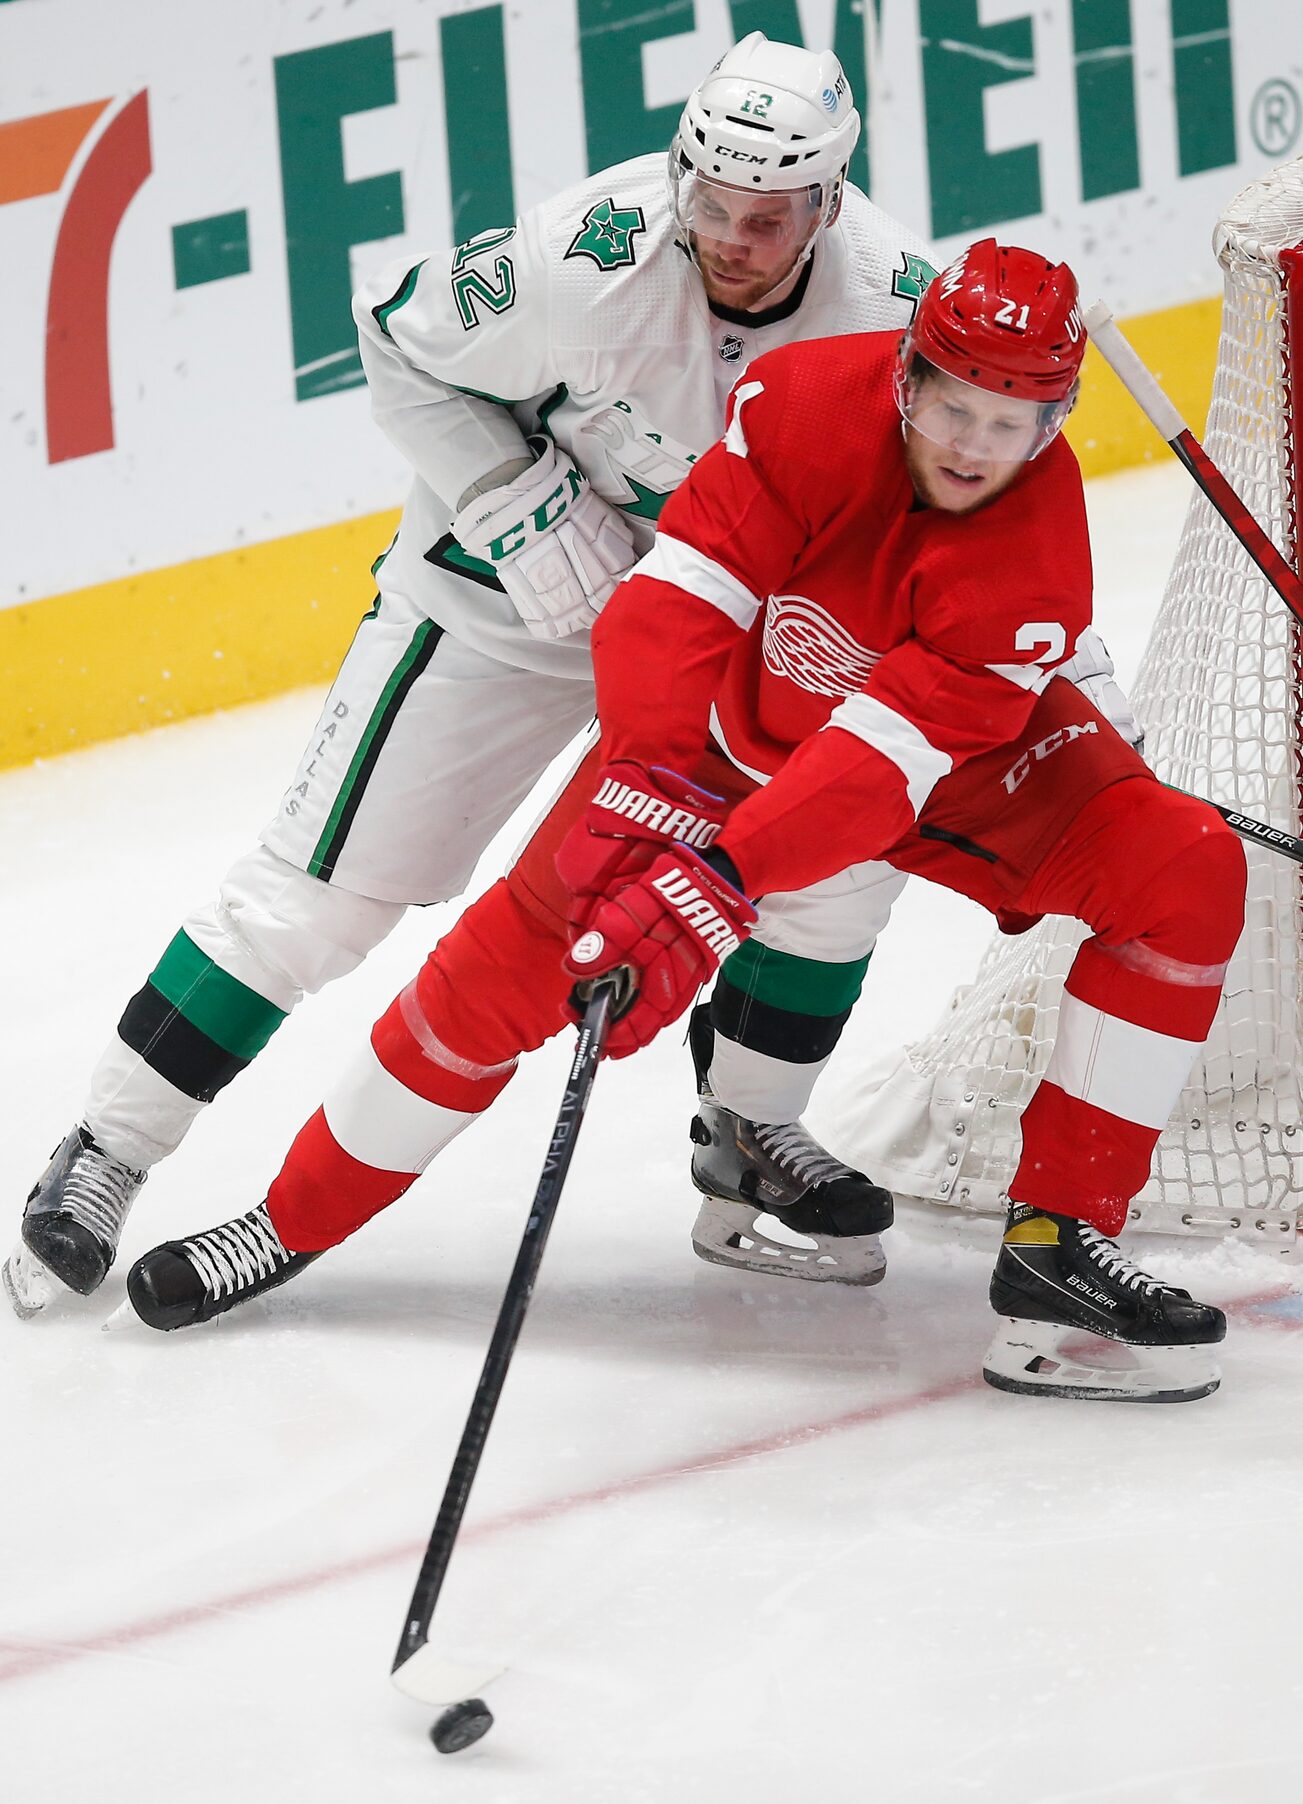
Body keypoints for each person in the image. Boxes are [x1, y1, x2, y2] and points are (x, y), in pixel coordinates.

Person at [123, 241, 1244, 1404]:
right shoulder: (802, 403)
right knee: (504, 973)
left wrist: (718, 876)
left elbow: (876, 769)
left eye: (1007, 423)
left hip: (948, 772)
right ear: (907, 375)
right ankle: (284, 1222)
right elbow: (676, 599)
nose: (970, 443)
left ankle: (1057, 1248)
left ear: (1055, 422)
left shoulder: (1035, 565)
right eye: (951, 404)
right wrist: (645, 786)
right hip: (714, 741)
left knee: (1183, 870)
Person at [8, 32, 964, 1318]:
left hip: (728, 632)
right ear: (679, 166)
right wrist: (509, 493)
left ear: (830, 199)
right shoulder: (587, 258)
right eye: (711, 200)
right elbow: (395, 335)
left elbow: (970, 481)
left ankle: (747, 1129)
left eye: (770, 213)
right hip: (506, 602)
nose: (733, 235)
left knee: (828, 875)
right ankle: (107, 1151)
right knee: (321, 897)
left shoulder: (896, 303)